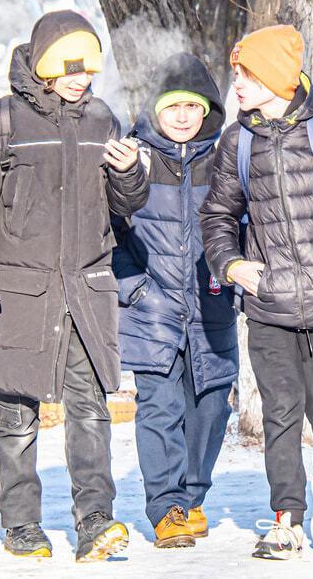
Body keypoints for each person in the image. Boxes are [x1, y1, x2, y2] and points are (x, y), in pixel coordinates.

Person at [0, 9, 148, 560]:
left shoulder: (102, 120)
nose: (83, 79)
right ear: (43, 66)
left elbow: (124, 208)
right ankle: (20, 524)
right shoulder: (0, 122)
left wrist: (131, 172)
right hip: (18, 294)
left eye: (90, 69)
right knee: (16, 415)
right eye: (71, 68)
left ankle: (95, 523)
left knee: (91, 410)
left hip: (85, 291)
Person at [198, 24, 313, 560]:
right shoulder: (237, 142)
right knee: (280, 413)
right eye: (237, 73)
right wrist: (231, 264)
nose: (237, 83)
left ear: (275, 77)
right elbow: (218, 214)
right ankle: (286, 517)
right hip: (267, 305)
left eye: (246, 74)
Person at [111, 53, 237, 549]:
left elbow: (243, 223)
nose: (182, 116)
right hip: (152, 306)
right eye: (172, 106)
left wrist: (235, 277)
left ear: (207, 110)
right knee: (159, 409)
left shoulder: (227, 159)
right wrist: (133, 288)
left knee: (210, 407)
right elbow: (110, 232)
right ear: (154, 109)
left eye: (193, 106)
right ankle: (166, 508)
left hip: (212, 306)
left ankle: (193, 496)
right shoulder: (133, 158)